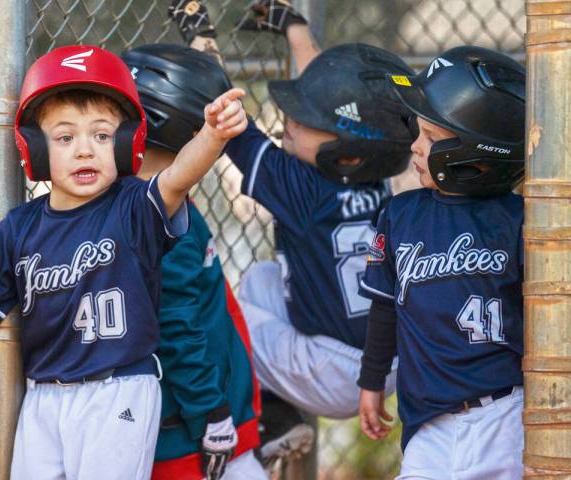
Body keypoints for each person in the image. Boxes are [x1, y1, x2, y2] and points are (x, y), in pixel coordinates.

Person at [0, 44, 248, 480]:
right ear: (36, 149)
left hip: (119, 393)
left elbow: (177, 177)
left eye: (101, 135)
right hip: (42, 401)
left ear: (126, 143)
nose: (84, 150)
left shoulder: (134, 208)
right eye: (64, 137)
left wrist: (210, 136)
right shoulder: (20, 228)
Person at [169, 0, 416, 462]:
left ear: (345, 149)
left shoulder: (300, 190)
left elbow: (229, 116)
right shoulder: (371, 176)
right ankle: (277, 410)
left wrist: (202, 40)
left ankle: (260, 425)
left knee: (225, 321)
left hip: (333, 372)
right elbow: (328, 95)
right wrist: (296, 29)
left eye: (304, 123)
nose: (290, 123)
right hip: (382, 359)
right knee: (261, 280)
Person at [357, 45, 525, 479]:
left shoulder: (520, 221)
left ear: (474, 153)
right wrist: (372, 382)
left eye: (431, 138)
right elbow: (383, 310)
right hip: (427, 424)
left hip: (506, 417)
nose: (415, 146)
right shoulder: (400, 214)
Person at [122, 43, 266, 480]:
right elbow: (173, 325)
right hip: (194, 436)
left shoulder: (147, 201)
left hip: (188, 425)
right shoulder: (165, 220)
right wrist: (212, 413)